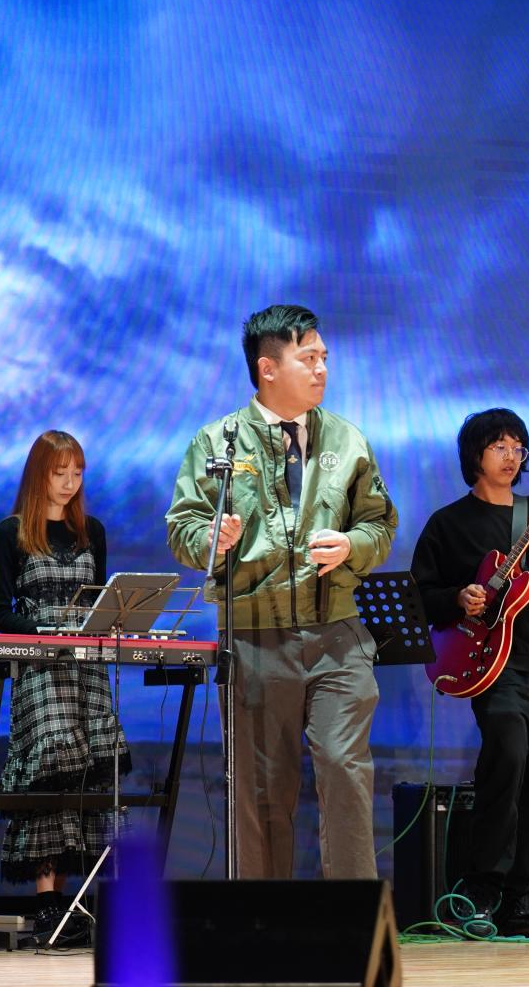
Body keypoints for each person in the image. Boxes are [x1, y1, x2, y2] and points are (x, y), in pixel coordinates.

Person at [165, 304, 397, 879]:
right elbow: (183, 527)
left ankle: (351, 916)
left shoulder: (348, 438)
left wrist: (351, 544)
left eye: (324, 358)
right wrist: (209, 538)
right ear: (268, 368)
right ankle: (263, 917)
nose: (322, 369)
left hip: (337, 634)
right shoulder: (218, 441)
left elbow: (379, 524)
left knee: (345, 769)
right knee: (263, 789)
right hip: (254, 638)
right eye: (308, 358)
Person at [411, 409, 529, 937]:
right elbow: (420, 595)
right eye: (499, 447)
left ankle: (515, 899)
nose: (511, 457)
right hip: (491, 661)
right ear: (475, 454)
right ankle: (482, 886)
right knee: (507, 755)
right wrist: (457, 597)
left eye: (518, 448)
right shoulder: (448, 523)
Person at [0, 431, 128, 933]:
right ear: (39, 474)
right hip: (42, 668)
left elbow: (101, 601)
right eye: (59, 472)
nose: (70, 483)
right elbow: (1, 614)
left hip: (87, 668)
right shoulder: (12, 532)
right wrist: (47, 631)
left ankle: (79, 904)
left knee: (91, 777)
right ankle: (47, 901)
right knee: (50, 774)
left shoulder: (93, 530)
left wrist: (102, 625)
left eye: (77, 473)